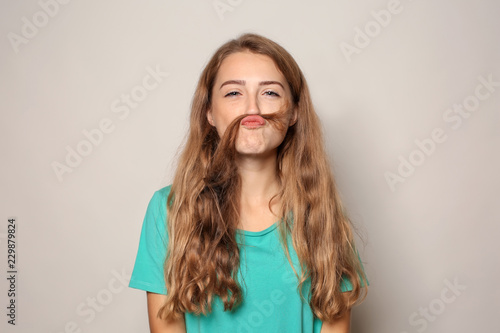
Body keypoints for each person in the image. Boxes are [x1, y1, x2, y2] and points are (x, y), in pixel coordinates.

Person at [129, 33, 368, 333]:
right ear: (209, 113)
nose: (252, 109)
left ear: (294, 112)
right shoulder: (169, 210)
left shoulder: (322, 213)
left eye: (270, 93)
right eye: (233, 93)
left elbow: (335, 324)